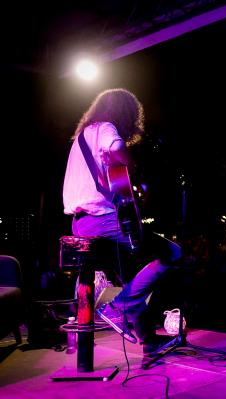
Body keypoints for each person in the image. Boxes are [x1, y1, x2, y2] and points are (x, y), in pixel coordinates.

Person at [62, 88, 182, 359]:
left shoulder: (81, 139)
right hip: (101, 221)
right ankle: (119, 306)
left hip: (80, 224)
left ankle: (148, 340)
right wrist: (129, 162)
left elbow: (104, 182)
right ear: (123, 113)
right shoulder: (105, 127)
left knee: (132, 276)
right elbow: (118, 149)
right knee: (173, 253)